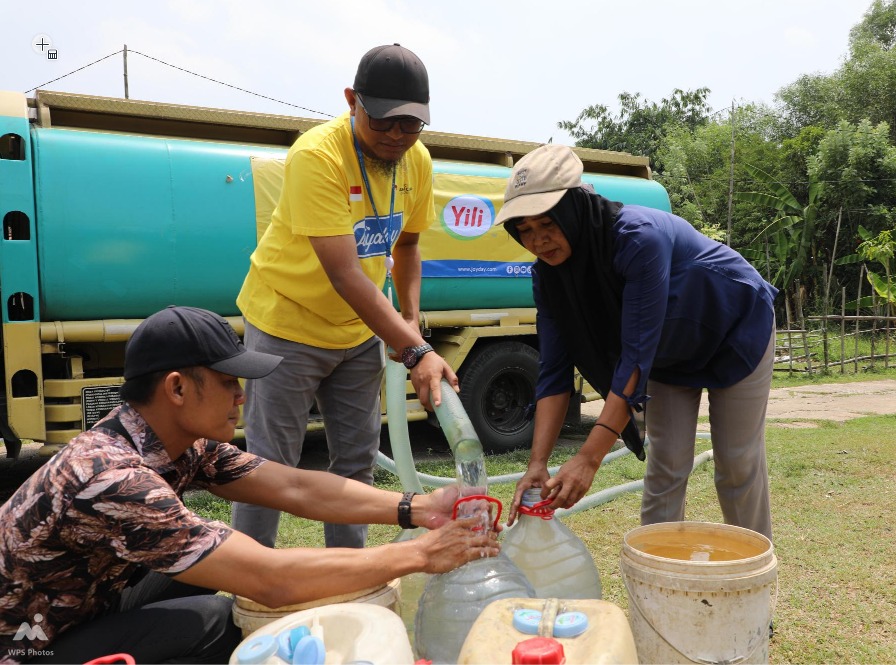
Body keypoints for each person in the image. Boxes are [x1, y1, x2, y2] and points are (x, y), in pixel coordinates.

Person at [0, 306, 497, 665]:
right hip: (28, 643)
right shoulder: (114, 478)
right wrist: (420, 555)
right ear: (176, 387)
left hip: (82, 602)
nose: (241, 395)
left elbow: (296, 489)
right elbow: (270, 580)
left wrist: (419, 506)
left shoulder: (171, 439)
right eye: (227, 382)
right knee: (217, 619)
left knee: (206, 558)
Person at [232, 43, 456, 550]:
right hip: (286, 326)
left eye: (411, 125)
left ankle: (350, 579)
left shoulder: (416, 161)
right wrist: (414, 350)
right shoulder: (317, 155)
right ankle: (247, 591)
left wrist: (410, 322)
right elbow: (345, 275)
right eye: (383, 123)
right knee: (268, 469)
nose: (396, 136)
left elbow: (410, 245)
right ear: (352, 100)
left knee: (356, 463)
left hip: (357, 333)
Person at [498, 144, 777, 541]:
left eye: (547, 224)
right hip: (668, 354)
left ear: (573, 210)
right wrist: (538, 463)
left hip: (735, 329)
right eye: (524, 231)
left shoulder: (636, 237)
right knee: (667, 463)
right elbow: (554, 370)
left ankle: (753, 576)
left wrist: (588, 458)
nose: (538, 241)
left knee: (737, 463)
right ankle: (656, 581)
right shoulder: (548, 276)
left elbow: (633, 356)